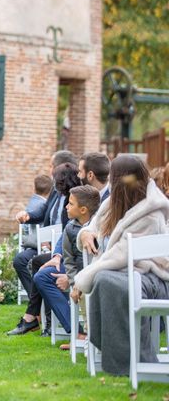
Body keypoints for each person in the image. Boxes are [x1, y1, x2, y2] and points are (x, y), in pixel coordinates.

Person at [71, 155, 169, 375]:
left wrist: (82, 279)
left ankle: (133, 362)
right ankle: (122, 359)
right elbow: (94, 223)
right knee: (105, 280)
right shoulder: (115, 200)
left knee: (106, 281)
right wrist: (87, 232)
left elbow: (120, 254)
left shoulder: (150, 213)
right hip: (127, 273)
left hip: (154, 279)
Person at [7, 161, 80, 336]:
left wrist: (56, 251)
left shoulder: (75, 198)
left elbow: (69, 229)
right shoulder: (55, 193)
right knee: (21, 260)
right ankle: (36, 316)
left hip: (62, 249)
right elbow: (44, 213)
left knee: (38, 263)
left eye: (56, 178)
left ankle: (35, 318)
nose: (53, 182)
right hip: (47, 244)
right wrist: (28, 216)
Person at [34, 184, 100, 341]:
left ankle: (93, 333)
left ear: (83, 210)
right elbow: (68, 259)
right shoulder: (70, 228)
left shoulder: (100, 226)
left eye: (71, 204)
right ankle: (76, 330)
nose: (66, 207)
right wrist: (72, 280)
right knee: (41, 276)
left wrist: (80, 282)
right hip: (75, 271)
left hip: (95, 272)